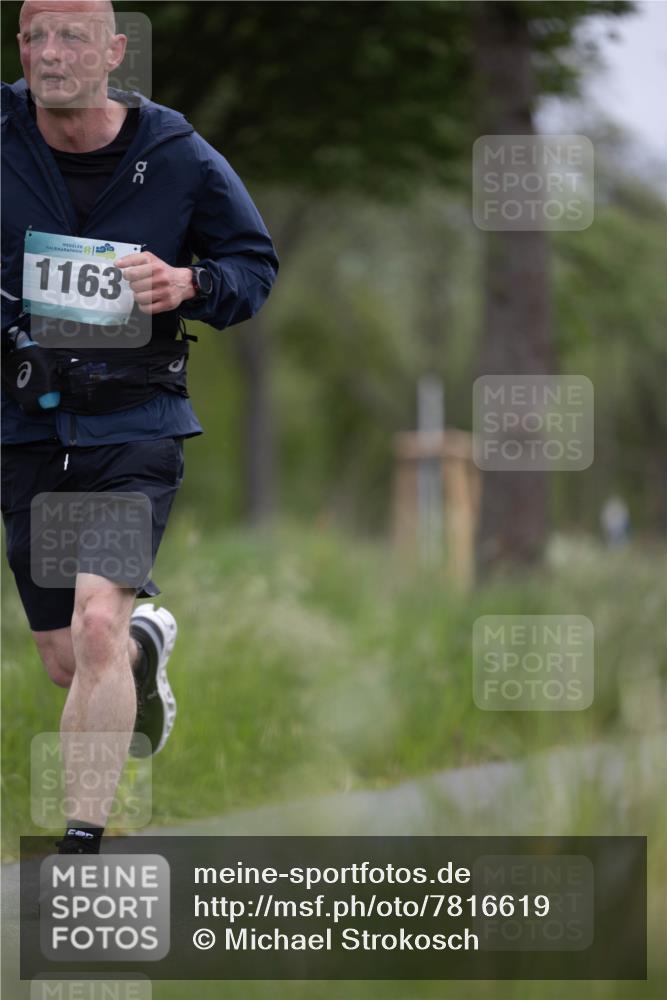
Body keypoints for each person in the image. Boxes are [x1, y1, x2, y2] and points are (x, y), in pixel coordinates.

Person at [1, 0, 278, 854]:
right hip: (26, 426)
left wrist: (187, 284)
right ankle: (146, 648)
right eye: (35, 36)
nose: (51, 54)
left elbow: (252, 266)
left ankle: (83, 841)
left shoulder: (176, 154)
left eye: (72, 36)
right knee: (65, 655)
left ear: (114, 52)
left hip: (135, 422)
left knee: (94, 628)